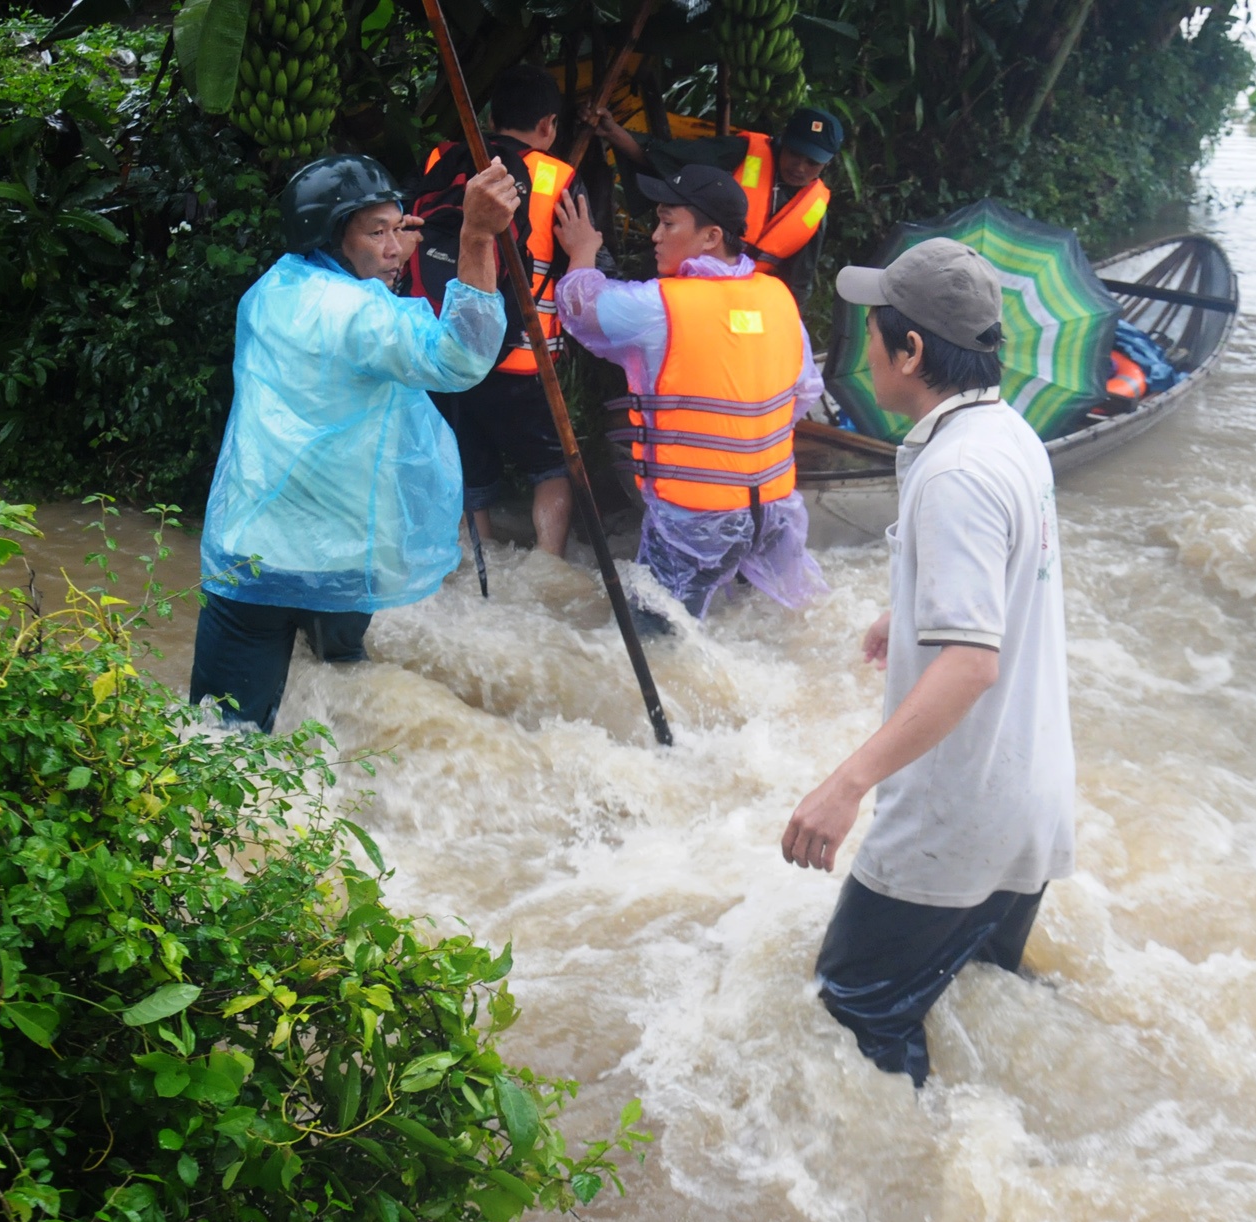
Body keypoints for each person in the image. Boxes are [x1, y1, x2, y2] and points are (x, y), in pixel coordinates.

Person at [780, 238, 1075, 1087]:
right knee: (980, 992)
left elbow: (971, 665)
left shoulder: (954, 470)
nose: (863, 345)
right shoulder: (1007, 434)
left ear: (910, 351)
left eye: (876, 331)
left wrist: (846, 785)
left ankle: (910, 1197)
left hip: (958, 814)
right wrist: (907, 609)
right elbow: (1007, 582)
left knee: (854, 1013)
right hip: (1028, 801)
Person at [189, 153, 520, 731]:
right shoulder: (364, 313)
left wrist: (383, 254)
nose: (394, 246)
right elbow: (461, 356)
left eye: (399, 229)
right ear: (331, 235)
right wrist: (474, 237)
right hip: (342, 557)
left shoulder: (268, 290)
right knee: (345, 678)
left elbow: (346, 313)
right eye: (377, 232)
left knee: (220, 740)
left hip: (252, 548)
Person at [550, 162, 827, 629]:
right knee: (782, 627)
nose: (655, 235)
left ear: (710, 236)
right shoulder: (778, 297)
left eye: (668, 222)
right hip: (775, 512)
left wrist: (582, 252)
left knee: (659, 643)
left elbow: (580, 307)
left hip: (695, 521)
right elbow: (804, 393)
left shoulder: (659, 306)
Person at [415, 65, 587, 556]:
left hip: (447, 350)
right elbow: (586, 262)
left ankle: (476, 564)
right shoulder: (558, 177)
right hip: (521, 357)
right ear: (548, 124)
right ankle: (547, 566)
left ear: (491, 116)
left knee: (468, 466)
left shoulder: (442, 158)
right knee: (552, 467)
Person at [594, 107, 842, 306]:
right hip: (681, 281)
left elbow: (799, 283)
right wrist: (614, 133)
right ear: (782, 142)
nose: (799, 167)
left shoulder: (816, 208)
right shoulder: (743, 152)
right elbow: (667, 159)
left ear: (827, 165)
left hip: (741, 302)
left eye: (812, 162)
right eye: (795, 154)